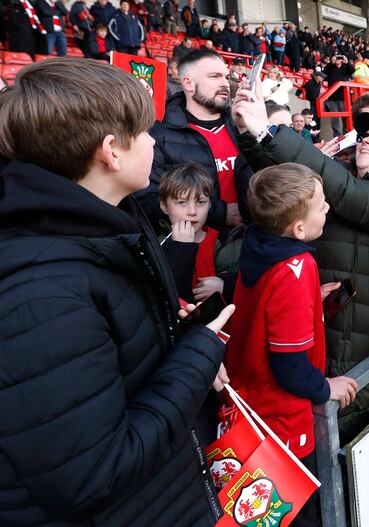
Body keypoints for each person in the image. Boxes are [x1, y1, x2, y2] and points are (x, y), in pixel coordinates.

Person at [0, 57, 234, 527]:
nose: (154, 142)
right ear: (111, 151)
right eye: (145, 133)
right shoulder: (42, 294)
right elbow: (93, 475)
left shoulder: (111, 223)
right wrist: (197, 356)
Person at [232, 82, 369, 445]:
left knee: (348, 432)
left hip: (359, 338)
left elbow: (348, 195)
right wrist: (248, 133)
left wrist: (268, 131)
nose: (366, 140)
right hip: (328, 326)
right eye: (364, 134)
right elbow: (283, 186)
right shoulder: (342, 176)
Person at [225, 163, 358, 527]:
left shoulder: (258, 244)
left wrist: (310, 303)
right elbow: (289, 365)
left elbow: (266, 309)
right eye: (321, 205)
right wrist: (325, 387)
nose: (328, 208)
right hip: (284, 425)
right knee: (298, 517)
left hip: (252, 412)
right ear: (298, 228)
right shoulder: (297, 266)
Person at [137, 48, 252, 232]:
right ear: (189, 84)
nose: (226, 83)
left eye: (226, 76)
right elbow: (149, 201)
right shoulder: (158, 136)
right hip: (196, 250)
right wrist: (218, 213)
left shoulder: (242, 125)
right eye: (215, 76)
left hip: (251, 243)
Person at [158, 163, 242, 304]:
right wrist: (180, 249)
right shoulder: (157, 245)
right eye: (182, 203)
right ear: (164, 206)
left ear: (210, 204)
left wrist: (224, 285)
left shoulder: (223, 242)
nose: (192, 211)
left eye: (201, 202)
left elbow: (245, 285)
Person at [323, 55, 355, 137]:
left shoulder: (346, 67)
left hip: (344, 98)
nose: (337, 60)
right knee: (334, 118)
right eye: (336, 58)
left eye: (339, 58)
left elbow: (352, 70)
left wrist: (347, 62)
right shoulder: (330, 67)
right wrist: (331, 63)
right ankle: (336, 135)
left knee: (346, 118)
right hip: (332, 97)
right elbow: (324, 73)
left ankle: (346, 134)